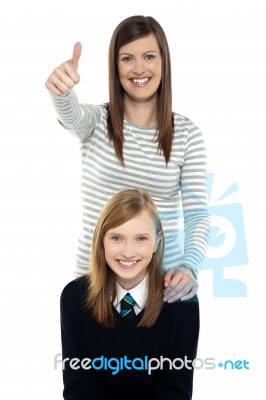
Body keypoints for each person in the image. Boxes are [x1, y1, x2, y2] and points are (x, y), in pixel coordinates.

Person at [46, 15, 211, 302]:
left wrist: (189, 267)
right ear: (115, 65)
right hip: (94, 287)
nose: (138, 69)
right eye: (126, 58)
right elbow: (70, 113)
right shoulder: (96, 121)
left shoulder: (186, 134)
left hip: (163, 289)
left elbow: (197, 214)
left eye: (149, 56)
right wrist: (62, 91)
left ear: (164, 63)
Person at [60, 189, 199, 399]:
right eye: (117, 238)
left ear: (157, 242)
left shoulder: (181, 301)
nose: (128, 252)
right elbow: (79, 387)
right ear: (101, 240)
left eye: (141, 238)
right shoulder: (75, 296)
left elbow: (175, 390)